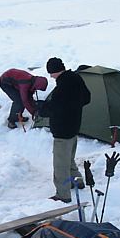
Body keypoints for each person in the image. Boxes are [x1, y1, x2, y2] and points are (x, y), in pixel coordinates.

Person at [37, 57, 91, 203]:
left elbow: (57, 108)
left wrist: (42, 109)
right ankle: (78, 181)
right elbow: (87, 98)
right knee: (70, 159)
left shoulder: (62, 86)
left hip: (63, 130)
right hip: (74, 126)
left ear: (54, 71)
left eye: (51, 73)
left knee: (61, 164)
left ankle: (63, 194)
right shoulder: (76, 78)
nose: (51, 76)